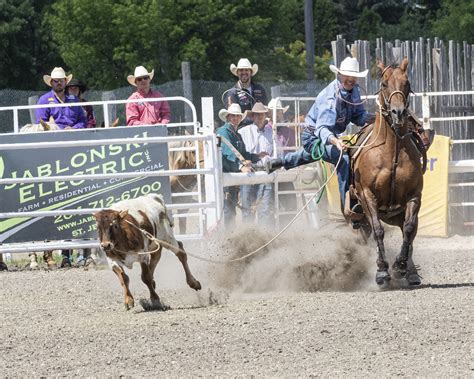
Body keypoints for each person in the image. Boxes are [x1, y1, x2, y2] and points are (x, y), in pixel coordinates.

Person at [266, 57, 376, 225]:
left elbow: (358, 116)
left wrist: (374, 118)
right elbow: (322, 129)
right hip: (314, 136)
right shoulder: (330, 97)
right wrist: (335, 141)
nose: (350, 80)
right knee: (343, 158)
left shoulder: (354, 91)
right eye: (347, 76)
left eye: (353, 77)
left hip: (329, 135)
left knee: (315, 155)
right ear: (339, 75)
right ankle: (348, 206)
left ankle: (281, 162)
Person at [215, 103, 260, 227]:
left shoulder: (236, 134)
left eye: (237, 116)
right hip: (225, 174)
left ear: (240, 118)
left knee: (230, 208)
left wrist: (256, 157)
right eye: (233, 116)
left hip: (231, 175)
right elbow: (228, 153)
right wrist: (241, 166)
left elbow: (242, 153)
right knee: (228, 210)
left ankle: (230, 236)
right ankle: (228, 236)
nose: (235, 118)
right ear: (228, 117)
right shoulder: (224, 132)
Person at [238, 102, 274, 226]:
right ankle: (249, 239)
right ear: (252, 116)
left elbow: (275, 152)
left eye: (262, 114)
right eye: (257, 115)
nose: (259, 117)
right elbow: (239, 153)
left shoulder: (272, 132)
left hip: (266, 172)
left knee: (264, 208)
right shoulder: (242, 132)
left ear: (265, 116)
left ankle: (263, 238)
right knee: (247, 209)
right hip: (249, 172)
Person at [223, 58, 268, 126]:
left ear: (251, 72)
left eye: (246, 70)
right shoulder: (232, 93)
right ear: (237, 73)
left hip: (261, 129)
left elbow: (266, 109)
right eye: (241, 70)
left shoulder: (260, 89)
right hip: (242, 130)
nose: (244, 72)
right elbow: (232, 117)